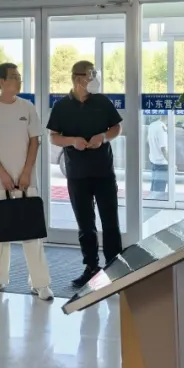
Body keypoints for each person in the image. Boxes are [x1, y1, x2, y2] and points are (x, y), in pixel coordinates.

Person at [0, 63, 53, 301]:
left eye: (19, 76)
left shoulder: (27, 107)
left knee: (32, 233)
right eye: (14, 77)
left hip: (27, 180)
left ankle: (40, 283)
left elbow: (35, 141)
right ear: (1, 82)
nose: (19, 80)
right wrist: (3, 174)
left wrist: (26, 172)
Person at [46, 60, 123, 288]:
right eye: (90, 75)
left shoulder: (102, 102)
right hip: (77, 174)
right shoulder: (62, 106)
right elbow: (53, 137)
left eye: (94, 74)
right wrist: (72, 141)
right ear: (78, 78)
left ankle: (114, 268)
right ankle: (91, 268)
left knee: (110, 221)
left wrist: (103, 137)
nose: (93, 79)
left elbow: (116, 127)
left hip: (103, 172)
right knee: (85, 225)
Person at [147, 115, 169, 196]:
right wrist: (171, 163)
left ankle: (152, 203)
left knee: (154, 189)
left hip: (154, 162)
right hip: (162, 164)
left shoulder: (152, 125)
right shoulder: (162, 128)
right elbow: (163, 149)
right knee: (158, 192)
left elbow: (147, 141)